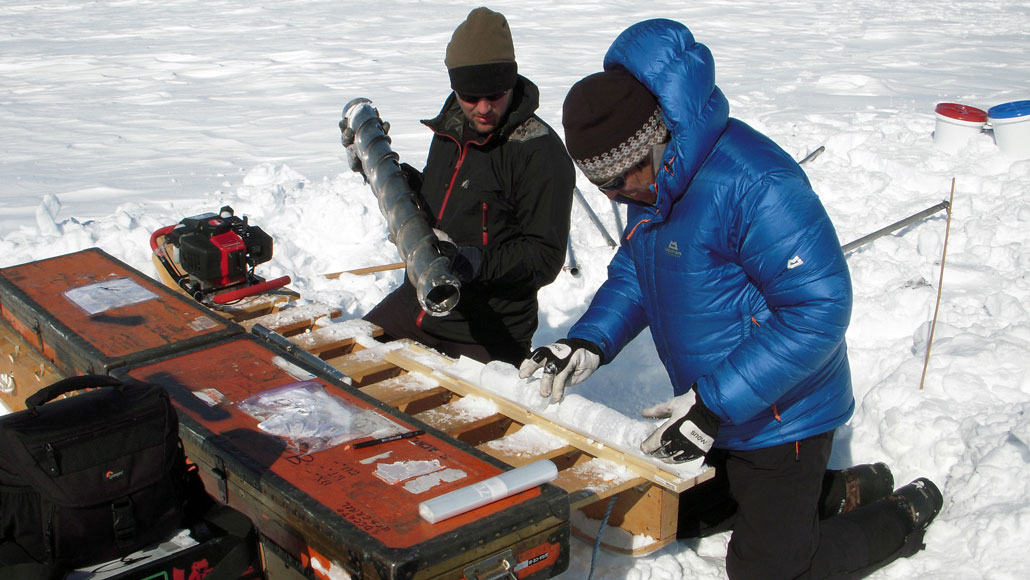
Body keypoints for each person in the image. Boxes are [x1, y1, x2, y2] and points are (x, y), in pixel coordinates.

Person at [518, 18, 943, 579]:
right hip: (714, 408)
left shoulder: (753, 183)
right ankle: (841, 491)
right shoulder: (655, 181)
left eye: (624, 178)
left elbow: (819, 309)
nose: (621, 196)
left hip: (783, 415)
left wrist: (714, 402)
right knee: (675, 515)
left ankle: (899, 516)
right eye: (605, 187)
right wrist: (589, 341)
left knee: (766, 572)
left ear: (656, 138)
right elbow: (639, 270)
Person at [362, 7, 575, 366]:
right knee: (335, 368)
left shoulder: (538, 153)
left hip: (486, 330)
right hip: (417, 305)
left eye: (496, 94)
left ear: (512, 82)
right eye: (470, 96)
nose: (483, 108)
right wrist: (391, 178)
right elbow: (442, 200)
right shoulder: (452, 126)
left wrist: (473, 262)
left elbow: (544, 258)